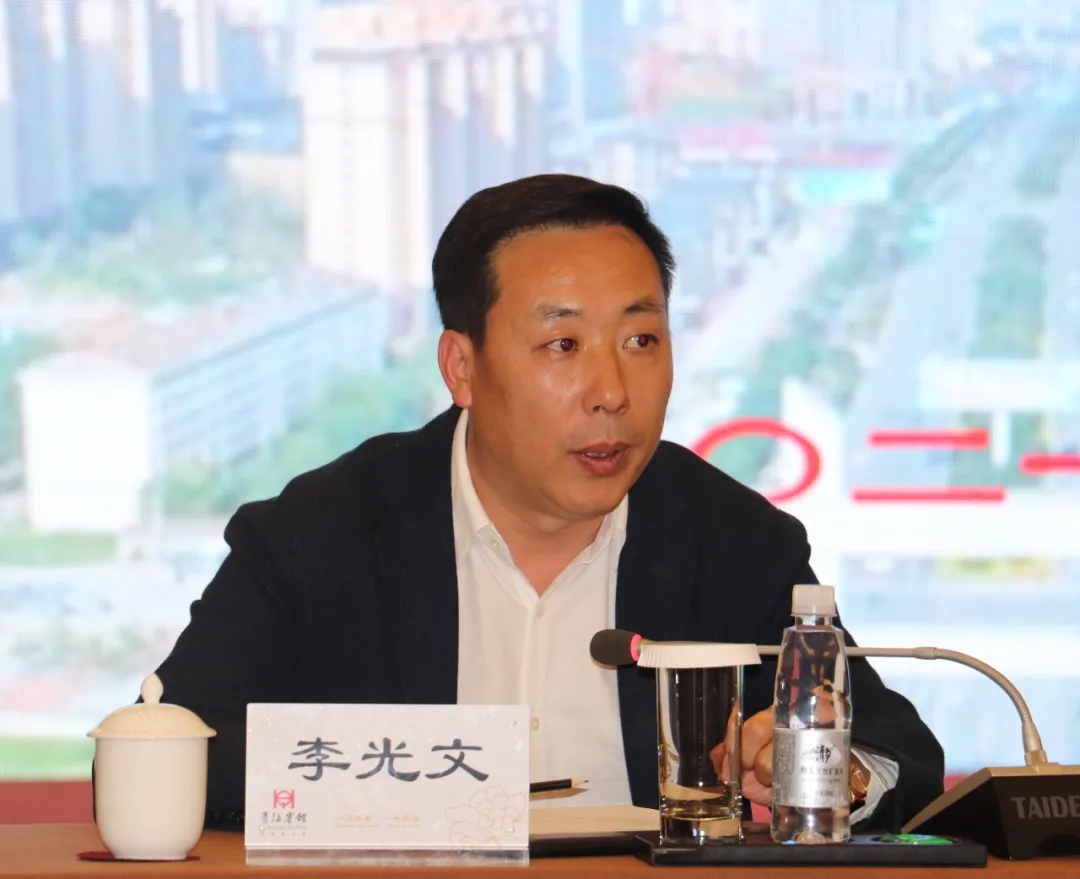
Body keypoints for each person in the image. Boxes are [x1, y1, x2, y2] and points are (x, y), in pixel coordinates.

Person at [149, 173, 944, 831]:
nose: (611, 392)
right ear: (461, 367)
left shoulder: (734, 541)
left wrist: (827, 767)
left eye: (641, 340)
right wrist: (415, 782)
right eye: (562, 345)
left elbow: (899, 754)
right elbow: (174, 752)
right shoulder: (320, 533)